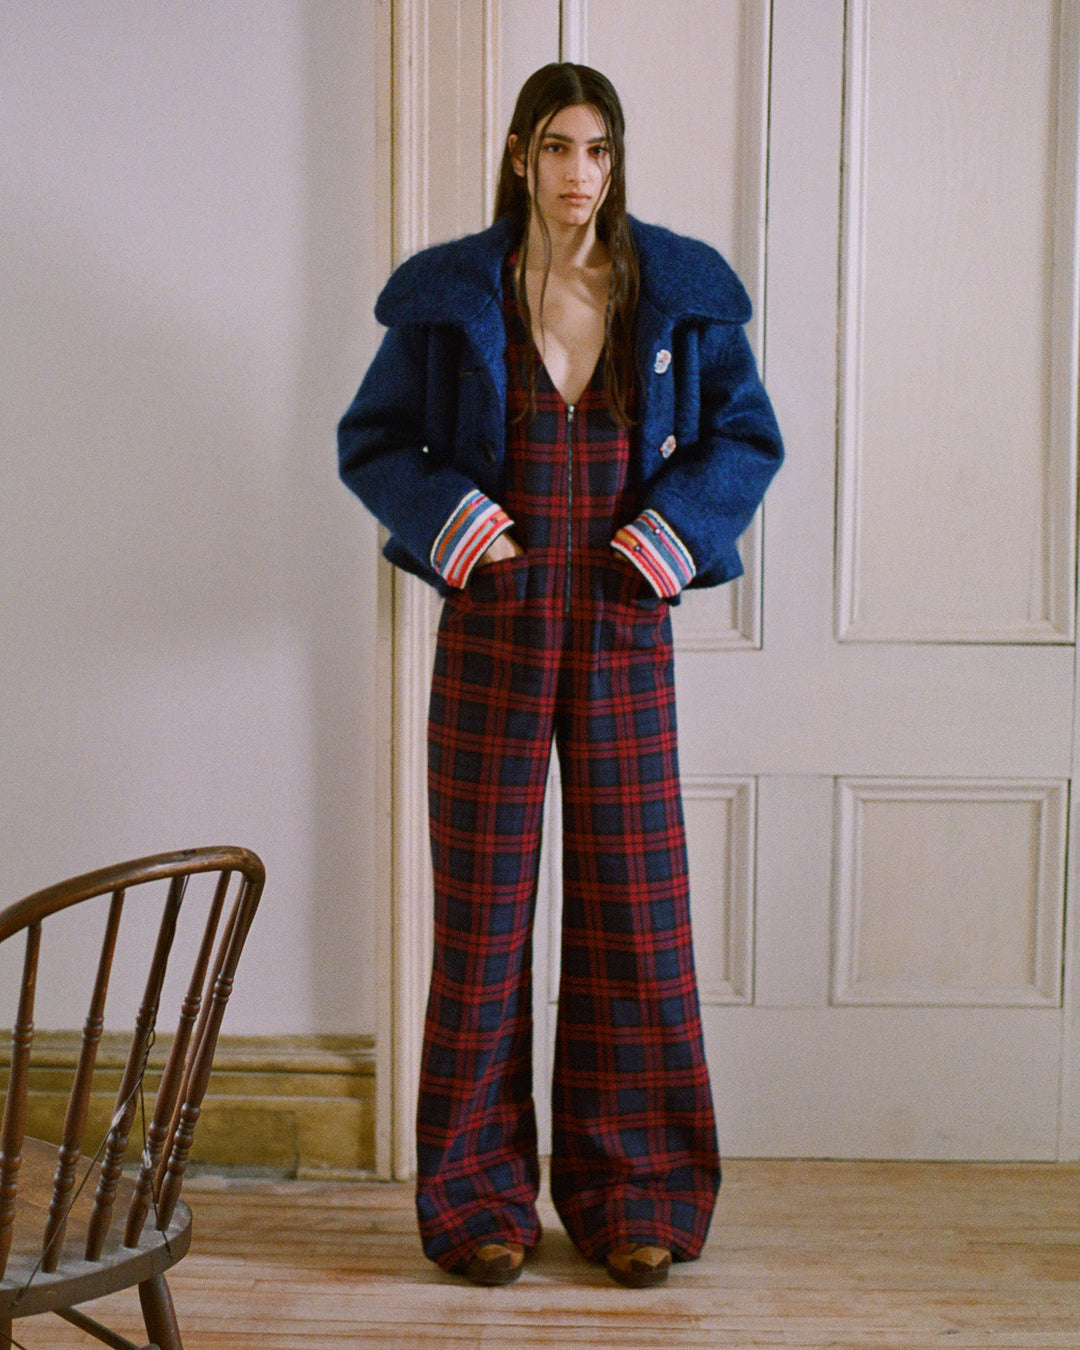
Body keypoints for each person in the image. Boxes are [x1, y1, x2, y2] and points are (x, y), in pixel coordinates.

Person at [338, 62, 782, 1288]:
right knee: (483, 922)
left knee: (634, 914)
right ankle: (477, 1203)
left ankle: (635, 1193)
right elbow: (376, 441)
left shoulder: (678, 294)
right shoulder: (450, 298)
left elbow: (747, 436)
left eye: (598, 149)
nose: (579, 175)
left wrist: (666, 541)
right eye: (557, 149)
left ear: (615, 157)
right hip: (495, 623)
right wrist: (467, 535)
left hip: (624, 617)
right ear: (522, 156)